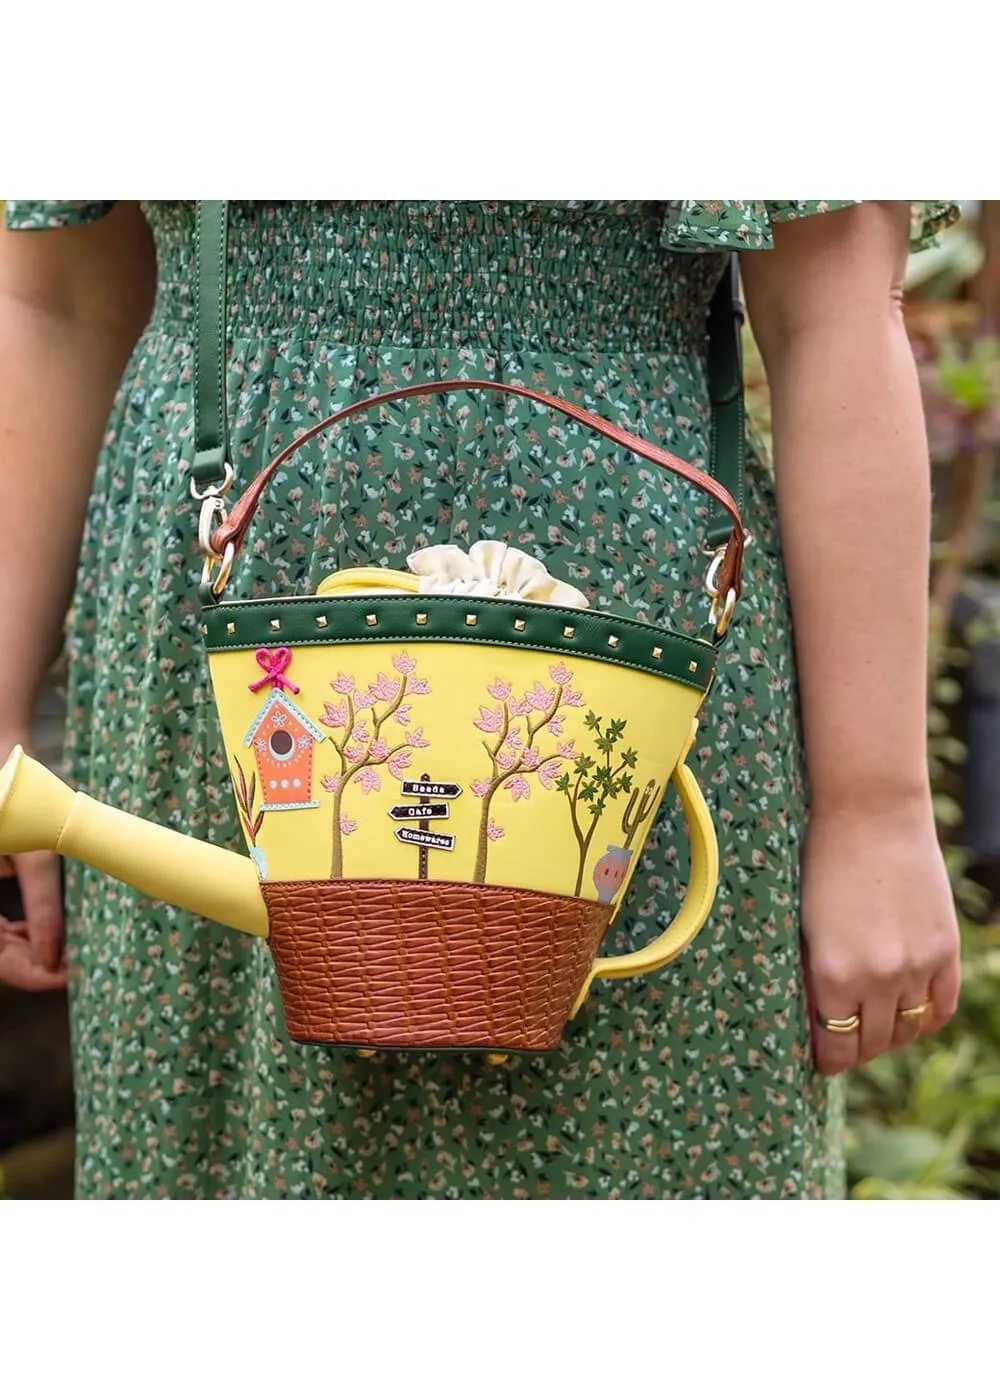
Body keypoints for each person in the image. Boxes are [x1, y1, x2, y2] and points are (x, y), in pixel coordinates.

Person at [0, 200, 962, 1199]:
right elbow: (58, 297)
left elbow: (837, 312)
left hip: (623, 651)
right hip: (226, 654)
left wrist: (875, 808)